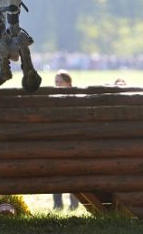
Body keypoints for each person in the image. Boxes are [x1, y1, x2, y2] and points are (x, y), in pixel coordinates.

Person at [53, 70, 80, 211]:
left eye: (59, 82)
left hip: (72, 143)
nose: (57, 85)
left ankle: (74, 205)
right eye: (55, 82)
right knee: (56, 173)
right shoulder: (52, 98)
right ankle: (57, 205)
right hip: (56, 143)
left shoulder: (75, 98)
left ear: (68, 83)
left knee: (73, 174)